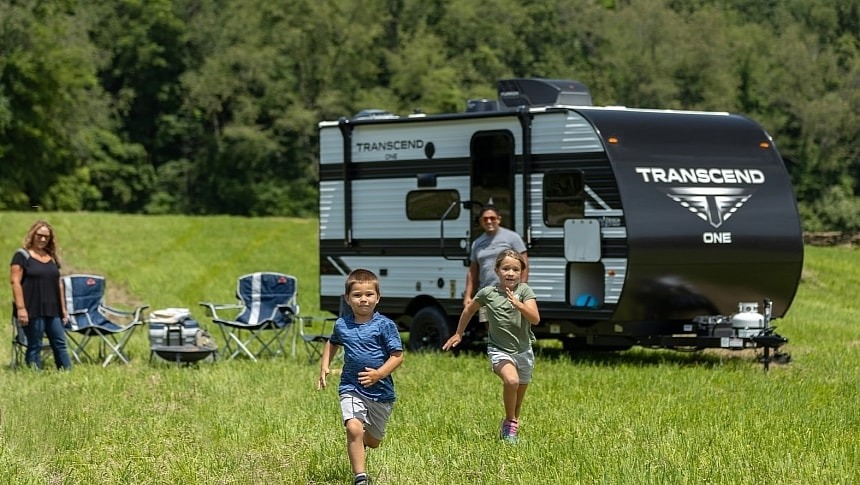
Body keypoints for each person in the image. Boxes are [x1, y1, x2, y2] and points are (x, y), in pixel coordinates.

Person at [317, 268, 404, 485]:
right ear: (347, 299)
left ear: (378, 297)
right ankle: (360, 477)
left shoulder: (385, 325)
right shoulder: (342, 324)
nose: (363, 299)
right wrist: (324, 366)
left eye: (368, 295)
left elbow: (397, 356)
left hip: (381, 393)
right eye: (357, 295)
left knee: (373, 442)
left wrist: (379, 374)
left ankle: (362, 443)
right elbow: (333, 342)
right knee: (353, 428)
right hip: (351, 386)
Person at [444, 249, 539, 444]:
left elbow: (535, 319)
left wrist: (519, 305)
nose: (510, 273)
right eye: (505, 268)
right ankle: (510, 423)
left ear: (521, 271)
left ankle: (510, 425)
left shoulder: (525, 291)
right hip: (499, 350)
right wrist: (458, 333)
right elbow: (469, 310)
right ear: (497, 270)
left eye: (515, 269)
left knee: (518, 401)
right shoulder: (488, 293)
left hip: (523, 351)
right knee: (511, 381)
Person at [9, 220, 73, 370]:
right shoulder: (21, 256)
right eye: (40, 235)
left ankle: (67, 373)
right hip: (32, 308)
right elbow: (15, 282)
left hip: (53, 308)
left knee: (60, 342)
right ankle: (34, 375)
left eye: (46, 236)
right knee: (35, 344)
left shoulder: (52, 257)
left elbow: (59, 283)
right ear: (33, 235)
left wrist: (63, 309)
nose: (43, 239)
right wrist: (21, 309)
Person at [463, 205, 528, 325]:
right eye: (485, 219)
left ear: (499, 219)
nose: (489, 221)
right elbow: (472, 271)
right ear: (481, 221)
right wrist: (468, 295)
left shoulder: (512, 238)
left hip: (509, 292)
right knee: (490, 328)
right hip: (486, 293)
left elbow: (524, 264)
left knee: (509, 326)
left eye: (492, 218)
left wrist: (522, 289)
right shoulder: (477, 243)